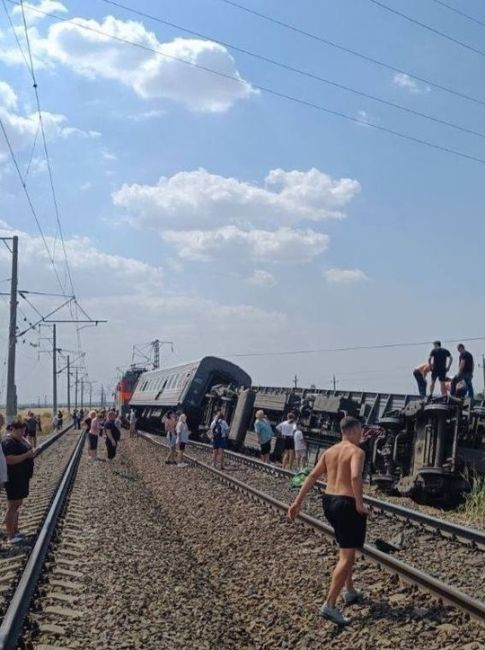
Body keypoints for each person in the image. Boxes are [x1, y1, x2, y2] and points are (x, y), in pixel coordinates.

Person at [288, 416, 369, 626]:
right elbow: (354, 477)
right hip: (347, 504)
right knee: (347, 557)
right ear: (352, 431)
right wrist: (360, 504)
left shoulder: (329, 451)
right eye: (360, 431)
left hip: (329, 502)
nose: (361, 435)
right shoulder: (356, 452)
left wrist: (297, 502)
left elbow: (312, 476)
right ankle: (330, 605)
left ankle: (349, 591)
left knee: (346, 548)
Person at [1, 421, 34, 544]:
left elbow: (28, 449)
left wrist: (26, 444)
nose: (22, 433)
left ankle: (15, 530)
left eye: (24, 431)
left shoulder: (20, 440)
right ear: (13, 429)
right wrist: (26, 455)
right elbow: (9, 460)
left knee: (17, 504)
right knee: (12, 506)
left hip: (21, 477)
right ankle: (10, 535)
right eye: (20, 431)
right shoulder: (8, 442)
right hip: (13, 478)